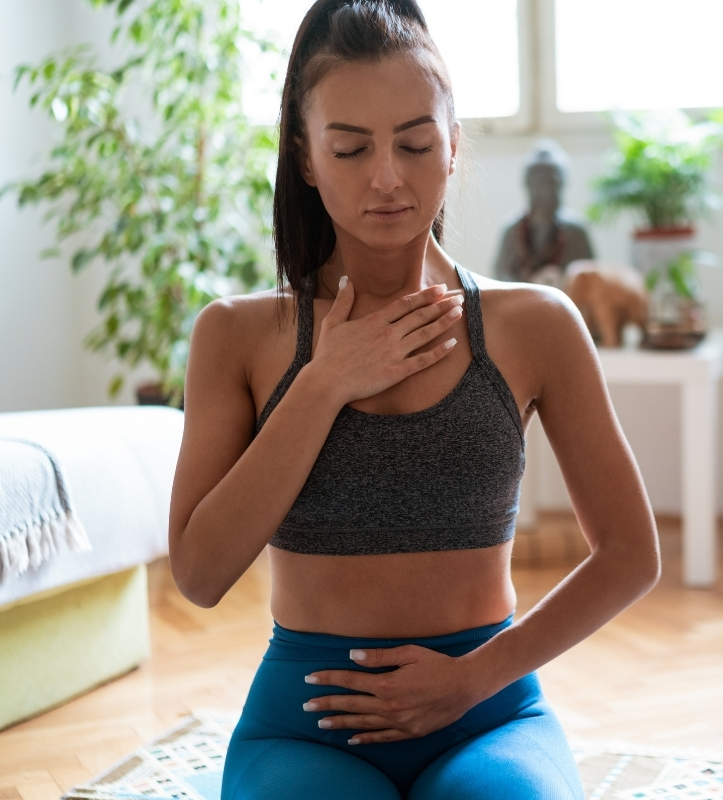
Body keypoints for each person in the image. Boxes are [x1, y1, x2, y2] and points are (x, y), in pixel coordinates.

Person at [168, 1, 660, 797]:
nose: (388, 177)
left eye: (417, 143)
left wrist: (472, 680)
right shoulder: (237, 335)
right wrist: (323, 382)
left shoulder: (535, 324)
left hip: (491, 710)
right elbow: (199, 573)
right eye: (351, 148)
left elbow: (633, 555)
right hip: (304, 722)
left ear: (455, 144)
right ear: (304, 156)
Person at [494, 139, 595, 285]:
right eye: (541, 183)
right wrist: (529, 285)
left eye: (553, 183)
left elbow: (591, 279)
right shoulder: (513, 230)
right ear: (528, 185)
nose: (547, 192)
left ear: (562, 185)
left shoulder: (576, 231)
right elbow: (501, 276)